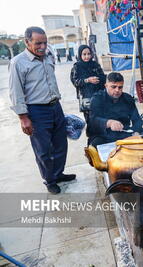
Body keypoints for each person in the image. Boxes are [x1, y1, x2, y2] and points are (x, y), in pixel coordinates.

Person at [9, 26, 75, 194]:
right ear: (27, 41)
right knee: (43, 149)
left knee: (61, 144)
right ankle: (49, 179)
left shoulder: (48, 56)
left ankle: (58, 174)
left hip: (55, 107)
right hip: (36, 111)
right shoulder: (18, 62)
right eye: (38, 43)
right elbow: (16, 92)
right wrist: (23, 118)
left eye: (45, 43)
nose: (43, 47)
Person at [88, 72, 143, 147]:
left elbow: (137, 119)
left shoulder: (128, 98)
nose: (117, 90)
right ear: (106, 86)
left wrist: (136, 131)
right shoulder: (97, 99)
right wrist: (109, 123)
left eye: (120, 87)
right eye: (113, 87)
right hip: (104, 135)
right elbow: (92, 122)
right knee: (94, 145)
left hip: (124, 133)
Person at [70, 44, 106, 122]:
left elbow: (103, 78)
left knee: (101, 119)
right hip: (86, 98)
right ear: (80, 55)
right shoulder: (77, 67)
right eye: (84, 54)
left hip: (98, 96)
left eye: (89, 54)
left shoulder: (95, 65)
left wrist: (97, 79)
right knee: (90, 120)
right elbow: (75, 82)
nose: (87, 56)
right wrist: (87, 80)